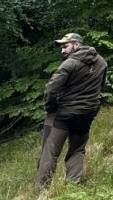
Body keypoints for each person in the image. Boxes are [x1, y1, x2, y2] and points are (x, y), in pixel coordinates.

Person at [35, 33, 108, 188]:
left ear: (77, 45)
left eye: (65, 46)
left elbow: (50, 90)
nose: (62, 51)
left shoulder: (69, 64)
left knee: (49, 152)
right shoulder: (102, 62)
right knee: (77, 151)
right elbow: (101, 87)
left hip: (62, 115)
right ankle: (73, 190)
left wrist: (50, 108)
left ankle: (40, 192)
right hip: (86, 115)